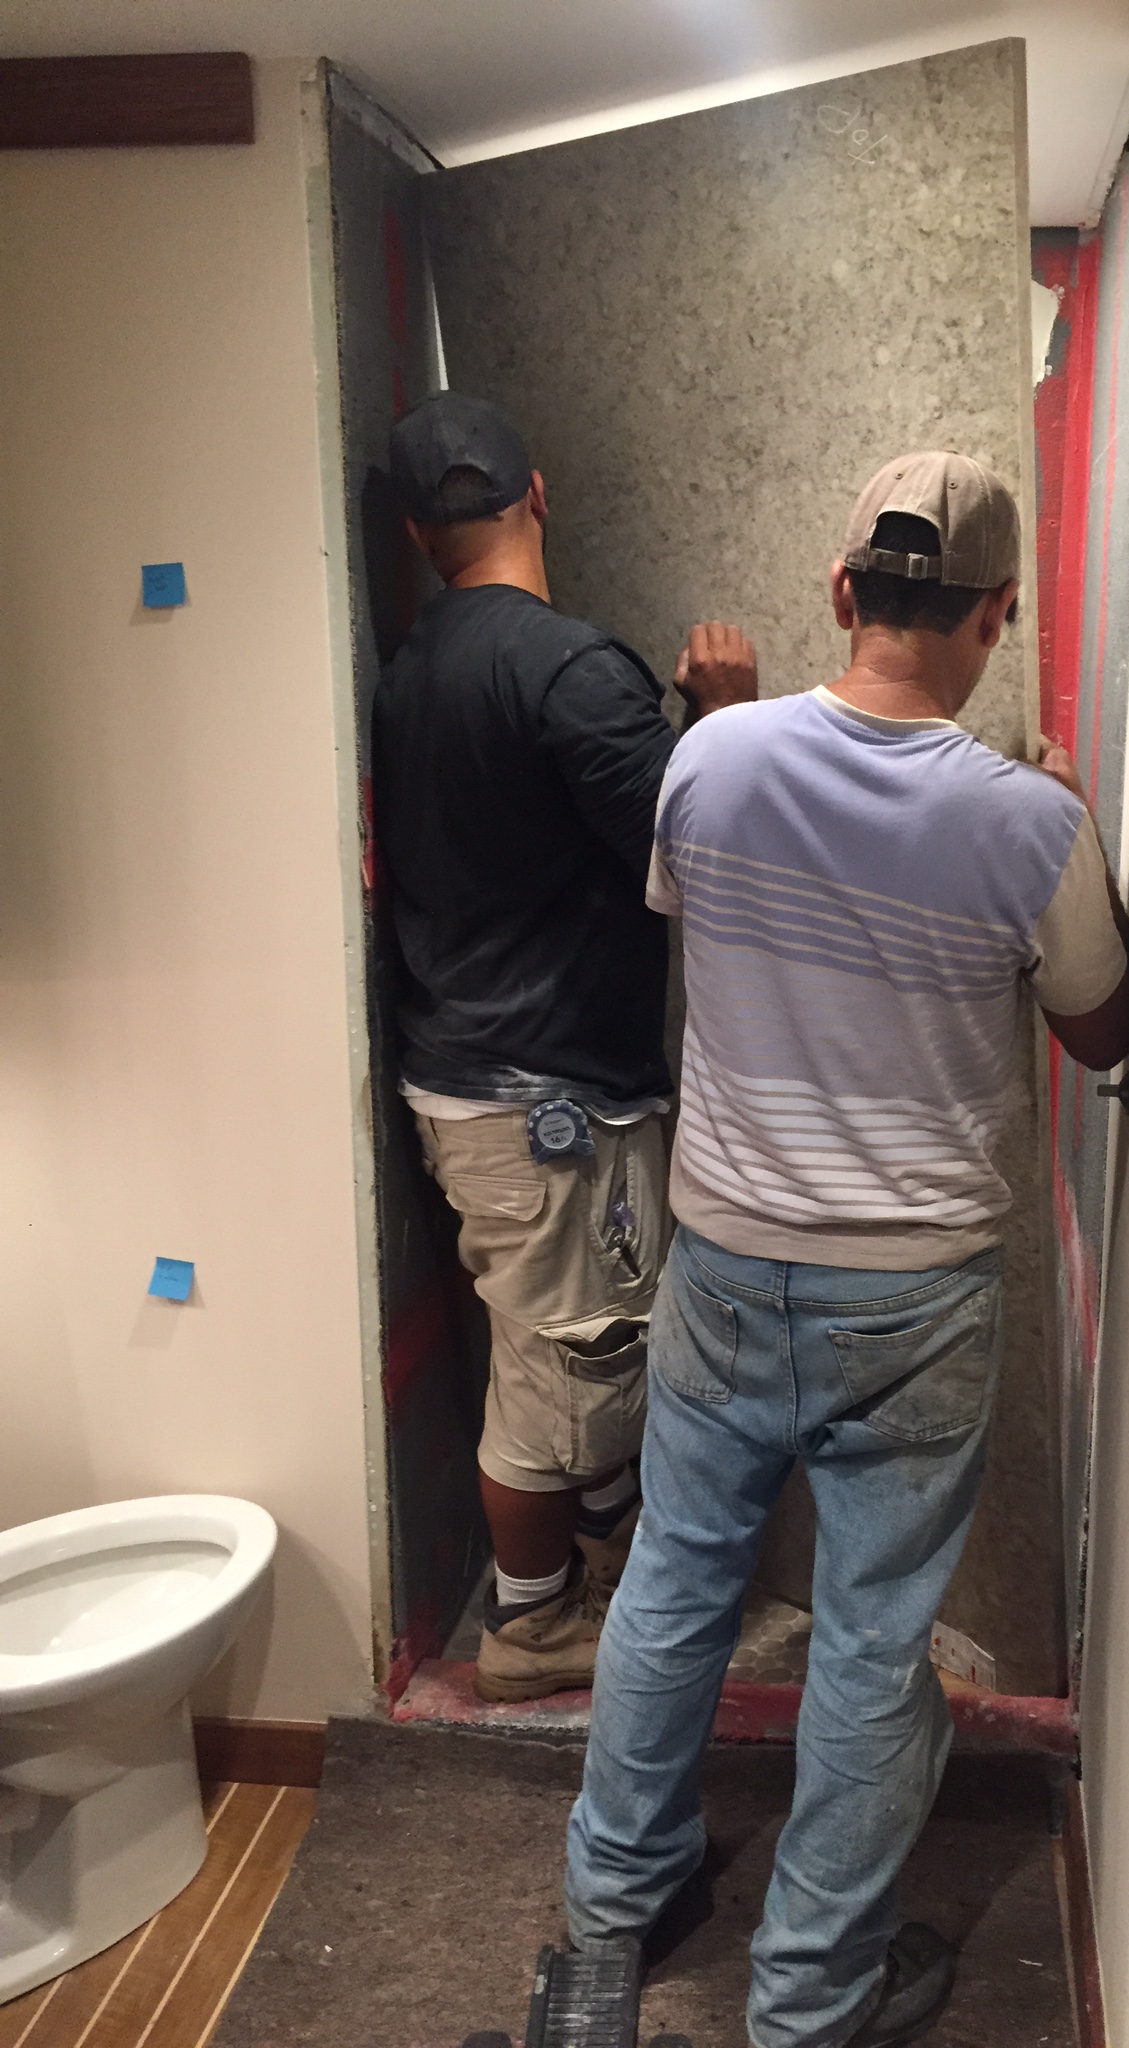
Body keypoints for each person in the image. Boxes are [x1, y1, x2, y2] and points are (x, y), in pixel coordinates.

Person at [562, 451, 1129, 2048]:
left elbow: (711, 925)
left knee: (676, 1581)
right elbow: (1103, 1032)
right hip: (913, 1293)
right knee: (875, 1644)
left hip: (725, 1262)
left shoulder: (709, 762)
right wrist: (1074, 835)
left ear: (840, 591)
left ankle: (616, 1909)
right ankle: (811, 1998)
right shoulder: (1029, 824)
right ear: (995, 617)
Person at [372, 392, 756, 1705]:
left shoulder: (409, 673)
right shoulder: (567, 668)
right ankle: (534, 1628)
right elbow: (701, 858)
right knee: (564, 1372)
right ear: (538, 496)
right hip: (548, 1098)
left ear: (418, 534)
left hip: (475, 1070)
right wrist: (721, 718)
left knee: (565, 1354)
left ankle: (580, 1586)